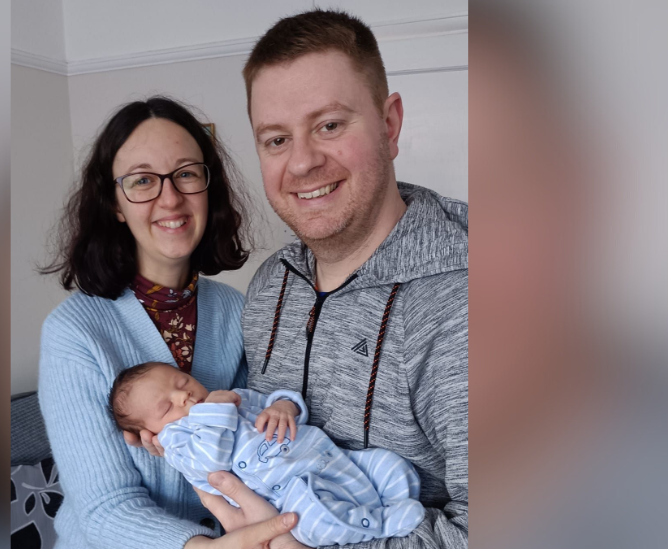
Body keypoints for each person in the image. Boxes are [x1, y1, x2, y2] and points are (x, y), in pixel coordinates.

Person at [191, 10, 469, 549]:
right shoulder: (271, 285)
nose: (301, 164)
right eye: (276, 140)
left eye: (329, 125)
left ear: (389, 125)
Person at [38, 96, 298, 549]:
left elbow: (257, 443)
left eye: (186, 174)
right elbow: (104, 507)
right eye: (142, 180)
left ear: (208, 186)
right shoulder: (75, 332)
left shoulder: (239, 311)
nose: (171, 197)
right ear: (115, 204)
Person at [109, 361, 426, 547]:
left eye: (183, 381)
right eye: (166, 407)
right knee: (312, 523)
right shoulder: (179, 445)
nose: (183, 395)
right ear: (153, 433)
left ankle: (393, 500)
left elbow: (274, 401)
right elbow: (211, 465)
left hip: (329, 458)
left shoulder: (233, 396)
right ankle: (381, 523)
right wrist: (213, 412)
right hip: (293, 495)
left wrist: (284, 405)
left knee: (390, 465)